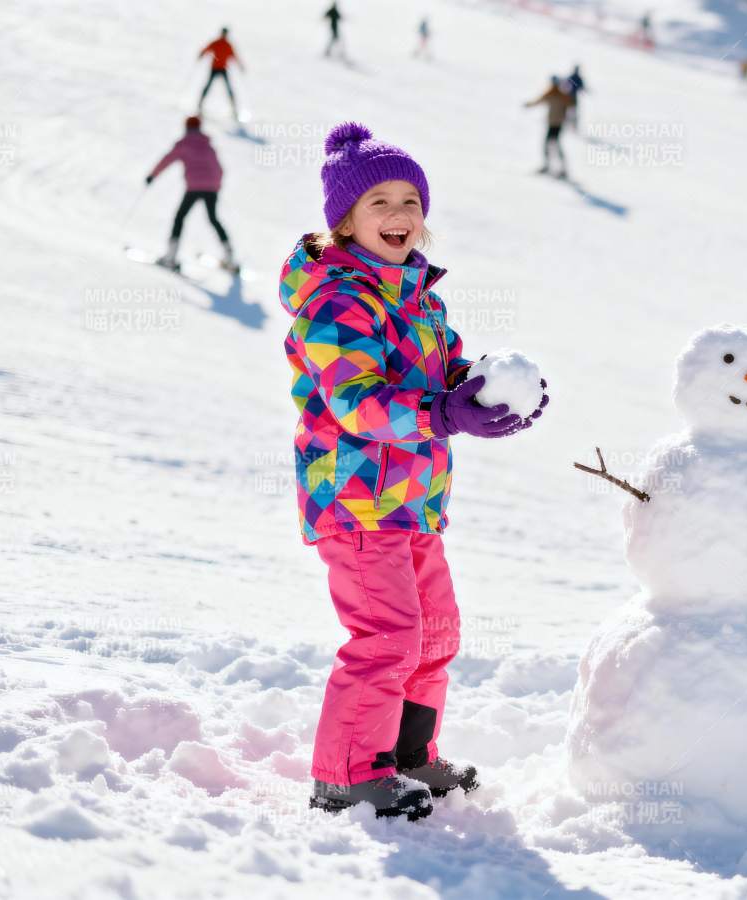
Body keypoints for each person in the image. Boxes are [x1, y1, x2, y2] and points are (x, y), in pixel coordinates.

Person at [280, 122, 549, 818]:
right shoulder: (336, 300)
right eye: (379, 203)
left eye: (410, 201)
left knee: (435, 632)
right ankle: (347, 775)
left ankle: (404, 758)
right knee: (387, 636)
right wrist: (445, 414)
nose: (400, 215)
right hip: (357, 500)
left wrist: (485, 388)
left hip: (414, 499)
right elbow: (357, 403)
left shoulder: (421, 297)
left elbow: (442, 370)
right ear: (344, 221)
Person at [145, 116, 236, 272]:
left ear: (186, 127)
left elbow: (166, 160)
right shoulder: (208, 146)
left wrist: (152, 175)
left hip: (194, 187)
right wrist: (216, 185)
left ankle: (170, 257)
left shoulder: (183, 144)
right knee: (213, 219)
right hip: (212, 188)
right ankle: (230, 258)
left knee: (180, 217)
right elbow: (219, 169)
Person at [525, 77, 572, 178]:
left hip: (558, 124)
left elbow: (570, 106)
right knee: (549, 144)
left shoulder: (562, 96)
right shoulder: (551, 94)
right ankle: (549, 166)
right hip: (552, 123)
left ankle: (562, 169)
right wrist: (529, 105)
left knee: (554, 144)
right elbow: (539, 101)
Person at [196, 27, 243, 117]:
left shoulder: (227, 45)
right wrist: (201, 55)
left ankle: (234, 109)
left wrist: (240, 65)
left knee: (228, 89)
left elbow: (234, 56)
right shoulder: (217, 43)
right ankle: (200, 104)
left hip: (223, 68)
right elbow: (206, 49)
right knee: (208, 86)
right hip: (215, 68)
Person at [564, 65, 587, 131]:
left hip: (570, 97)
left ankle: (572, 126)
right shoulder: (575, 78)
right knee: (572, 112)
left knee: (570, 111)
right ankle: (572, 126)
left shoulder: (572, 77)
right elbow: (581, 87)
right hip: (571, 97)